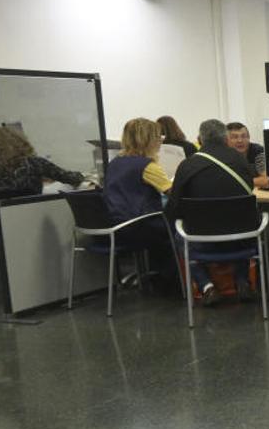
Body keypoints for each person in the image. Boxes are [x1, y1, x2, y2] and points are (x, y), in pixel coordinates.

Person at [166, 119, 259, 305]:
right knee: (243, 221)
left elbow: (175, 206)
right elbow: (249, 188)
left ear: (200, 139)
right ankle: (242, 281)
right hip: (241, 239)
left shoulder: (187, 166)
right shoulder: (239, 160)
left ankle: (206, 286)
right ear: (226, 138)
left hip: (202, 242)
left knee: (179, 234)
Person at [104, 118, 175, 283]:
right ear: (148, 140)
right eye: (158, 137)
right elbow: (174, 192)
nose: (160, 141)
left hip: (116, 226)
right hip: (139, 227)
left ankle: (158, 272)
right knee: (179, 226)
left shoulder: (115, 163)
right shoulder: (147, 166)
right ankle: (174, 278)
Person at [0, 126, 84, 198]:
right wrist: (82, 176)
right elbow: (72, 178)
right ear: (19, 142)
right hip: (33, 215)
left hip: (2, 222)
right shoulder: (34, 163)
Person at [225, 122, 269, 190]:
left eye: (244, 136)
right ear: (226, 140)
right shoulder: (223, 154)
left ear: (249, 138)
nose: (240, 140)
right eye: (235, 137)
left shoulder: (258, 151)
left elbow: (266, 180)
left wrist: (237, 182)